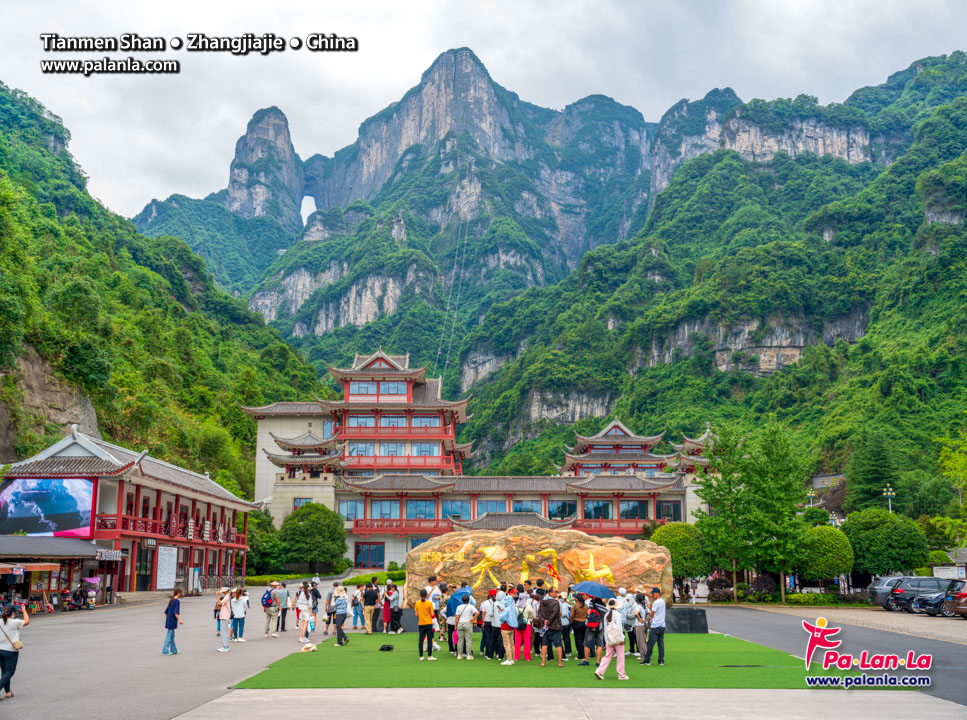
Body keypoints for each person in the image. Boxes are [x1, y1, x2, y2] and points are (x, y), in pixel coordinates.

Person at [595, 598, 629, 680]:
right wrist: (622, 639)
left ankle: (599, 671)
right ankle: (621, 674)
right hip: (617, 639)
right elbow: (619, 628)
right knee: (620, 657)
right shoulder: (617, 614)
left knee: (607, 656)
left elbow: (605, 628)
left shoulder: (606, 615)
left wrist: (606, 641)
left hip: (609, 639)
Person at [0, 602, 28, 699]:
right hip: (10, 651)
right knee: (9, 672)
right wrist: (24, 611)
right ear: (12, 613)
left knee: (4, 671)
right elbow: (27, 621)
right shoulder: (15, 622)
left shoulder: (0, 621)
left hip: (0, 649)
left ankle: (8, 692)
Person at [537, 586, 564, 668]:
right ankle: (560, 662)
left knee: (544, 644)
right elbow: (555, 613)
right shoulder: (555, 603)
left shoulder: (542, 602)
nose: (557, 593)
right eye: (555, 592)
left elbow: (539, 613)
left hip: (545, 626)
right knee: (558, 644)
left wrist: (543, 621)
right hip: (555, 626)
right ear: (550, 592)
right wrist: (548, 622)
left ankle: (543, 662)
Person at [641, 587, 666, 666]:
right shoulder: (663, 601)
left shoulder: (656, 602)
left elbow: (652, 614)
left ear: (656, 593)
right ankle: (661, 661)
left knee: (650, 644)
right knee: (660, 643)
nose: (652, 595)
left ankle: (647, 661)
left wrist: (649, 609)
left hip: (655, 625)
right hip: (662, 625)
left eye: (653, 594)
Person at [581, 594, 607, 667]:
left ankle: (586, 661)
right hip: (600, 625)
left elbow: (588, 613)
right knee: (599, 644)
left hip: (591, 625)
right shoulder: (603, 605)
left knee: (587, 643)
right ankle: (598, 662)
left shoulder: (592, 602)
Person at [453, 594, 477, 659]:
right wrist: (473, 618)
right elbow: (477, 612)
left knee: (460, 640)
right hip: (468, 623)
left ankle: (459, 655)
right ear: (469, 600)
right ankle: (468, 654)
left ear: (462, 600)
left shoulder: (459, 607)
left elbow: (457, 617)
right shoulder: (471, 606)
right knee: (468, 640)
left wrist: (455, 625)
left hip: (460, 623)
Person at [415, 588, 436, 660]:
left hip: (421, 624)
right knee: (429, 640)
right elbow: (432, 614)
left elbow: (416, 614)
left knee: (421, 640)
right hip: (428, 623)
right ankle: (429, 656)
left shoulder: (417, 603)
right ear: (426, 595)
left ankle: (421, 656)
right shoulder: (429, 603)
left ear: (420, 595)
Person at [513, 588, 535, 661]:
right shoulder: (528, 606)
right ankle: (527, 657)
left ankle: (516, 656)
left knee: (517, 641)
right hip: (527, 624)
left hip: (517, 625)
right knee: (527, 641)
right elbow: (532, 615)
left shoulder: (515, 606)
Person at [496, 591, 516, 665]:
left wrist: (500, 613)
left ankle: (509, 659)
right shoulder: (513, 608)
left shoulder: (506, 609)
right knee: (511, 643)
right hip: (511, 627)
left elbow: (502, 618)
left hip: (505, 627)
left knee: (506, 644)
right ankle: (512, 658)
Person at [162, 589, 183, 655]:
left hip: (169, 619)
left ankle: (174, 650)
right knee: (169, 636)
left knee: (171, 636)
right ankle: (165, 651)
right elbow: (176, 612)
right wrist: (180, 620)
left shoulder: (171, 600)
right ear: (179, 593)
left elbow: (166, 612)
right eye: (181, 593)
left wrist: (168, 619)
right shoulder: (177, 601)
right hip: (172, 620)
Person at [619, 588, 636, 656]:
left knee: (635, 637)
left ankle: (637, 650)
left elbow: (633, 615)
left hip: (633, 624)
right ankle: (631, 650)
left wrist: (626, 614)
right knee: (630, 637)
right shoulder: (626, 605)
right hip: (627, 623)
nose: (627, 601)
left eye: (628, 600)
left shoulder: (634, 605)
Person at [633, 592, 650, 661]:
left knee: (641, 641)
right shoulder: (645, 605)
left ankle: (643, 655)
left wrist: (639, 619)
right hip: (645, 625)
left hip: (640, 625)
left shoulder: (639, 606)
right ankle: (645, 654)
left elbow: (635, 613)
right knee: (644, 640)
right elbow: (649, 613)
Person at [571, 594, 588, 662]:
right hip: (584, 623)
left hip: (577, 622)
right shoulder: (585, 606)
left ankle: (580, 655)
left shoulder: (574, 606)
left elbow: (572, 616)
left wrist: (571, 621)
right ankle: (585, 654)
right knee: (584, 639)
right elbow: (587, 614)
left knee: (578, 640)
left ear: (576, 600)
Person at [558, 590, 572, 660]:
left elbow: (563, 614)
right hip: (566, 622)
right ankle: (568, 651)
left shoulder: (561, 604)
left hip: (562, 622)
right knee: (566, 637)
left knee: (563, 638)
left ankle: (565, 652)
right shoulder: (567, 604)